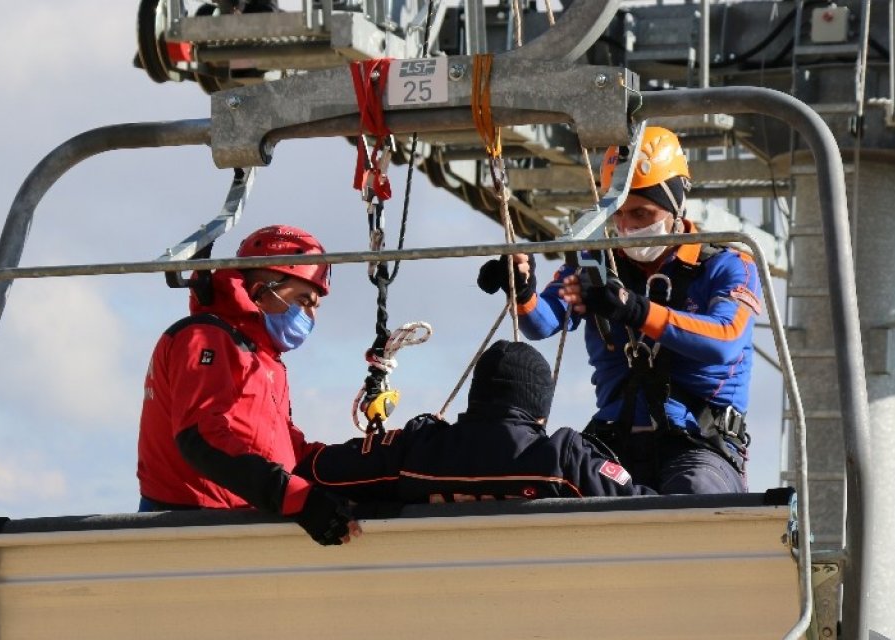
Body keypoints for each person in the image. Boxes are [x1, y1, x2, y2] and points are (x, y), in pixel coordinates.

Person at [475, 126, 762, 495]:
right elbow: (542, 322)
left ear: (676, 206)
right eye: (619, 215)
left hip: (699, 445)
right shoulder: (598, 264)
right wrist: (522, 288)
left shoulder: (727, 265)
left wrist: (636, 310)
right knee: (549, 480)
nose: (627, 227)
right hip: (614, 440)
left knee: (693, 494)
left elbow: (724, 339)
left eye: (641, 213)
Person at [136, 224, 360, 546]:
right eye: (303, 300)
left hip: (238, 527)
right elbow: (200, 437)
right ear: (260, 290)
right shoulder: (203, 338)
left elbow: (285, 450)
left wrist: (360, 470)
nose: (310, 316)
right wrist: (298, 499)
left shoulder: (264, 360)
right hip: (187, 529)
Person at [297, 340, 654, 502]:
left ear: (475, 396)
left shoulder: (415, 448)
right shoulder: (563, 458)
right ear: (540, 410)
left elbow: (317, 471)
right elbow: (649, 513)